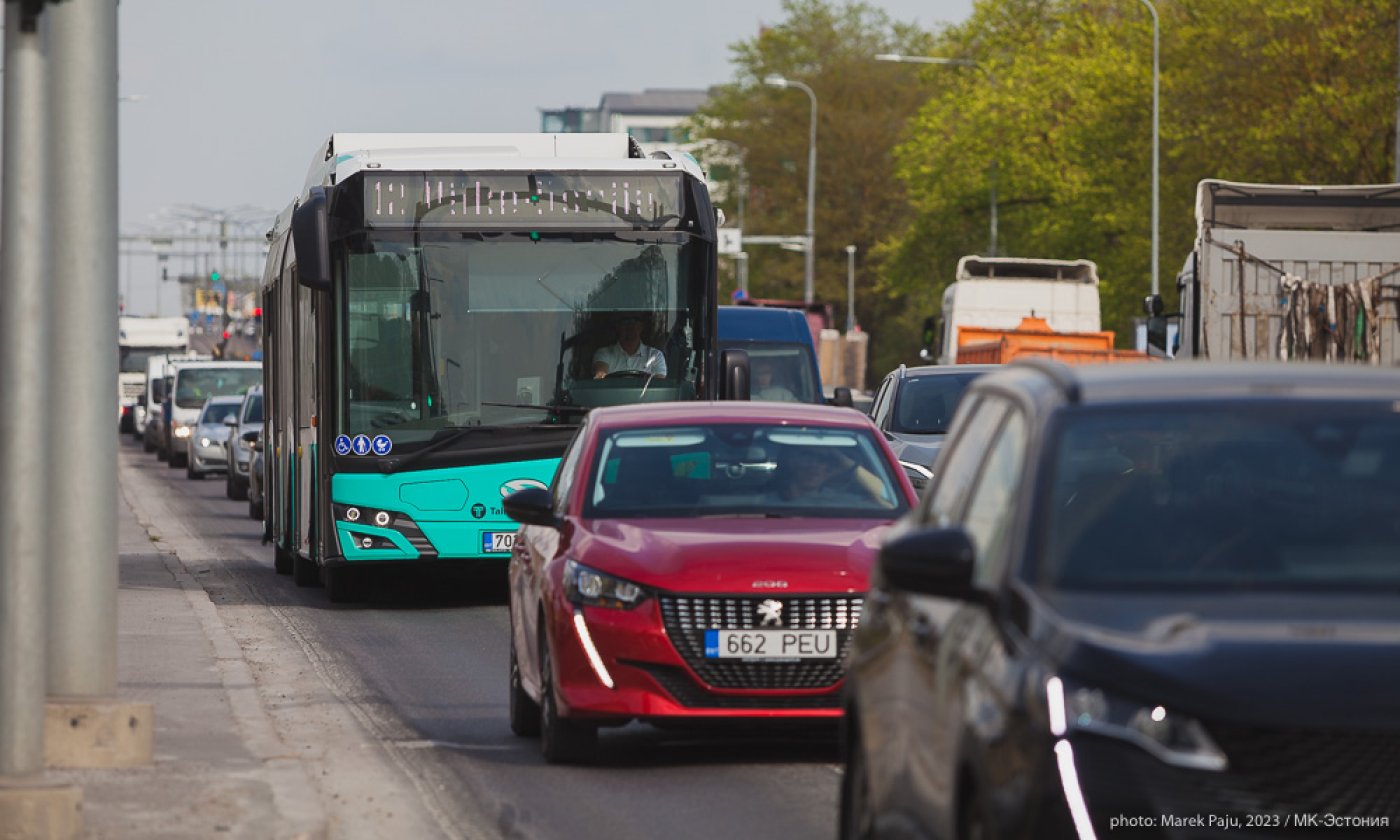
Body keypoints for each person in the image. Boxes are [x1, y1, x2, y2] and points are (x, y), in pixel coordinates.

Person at [766, 445, 893, 508]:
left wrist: (845, 462)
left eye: (823, 460)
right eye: (808, 457)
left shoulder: (845, 503)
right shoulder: (761, 503)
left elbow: (888, 502)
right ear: (790, 461)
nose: (814, 465)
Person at [593, 314, 667, 379]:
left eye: (634, 322)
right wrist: (600, 374)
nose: (630, 327)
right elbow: (600, 375)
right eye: (625, 322)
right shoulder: (604, 353)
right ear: (618, 327)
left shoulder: (655, 356)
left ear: (641, 327)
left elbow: (659, 385)